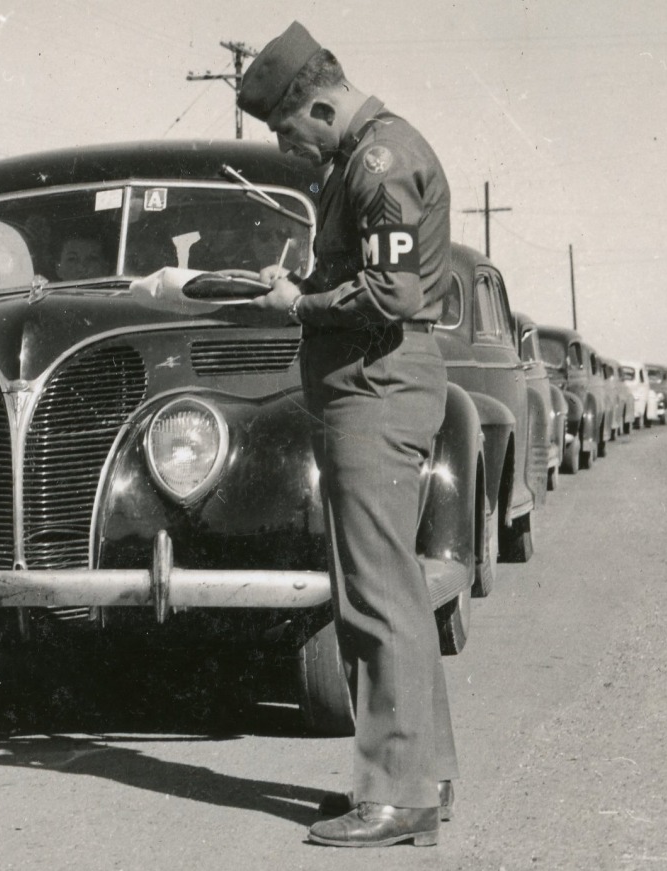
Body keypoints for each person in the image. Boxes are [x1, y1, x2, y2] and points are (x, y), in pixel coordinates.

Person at [241, 21, 456, 848]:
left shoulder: (379, 161)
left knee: (375, 599)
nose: (291, 148)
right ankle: (421, 778)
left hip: (376, 389)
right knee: (391, 591)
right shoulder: (363, 156)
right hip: (371, 388)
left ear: (321, 105)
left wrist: (298, 304)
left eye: (289, 132)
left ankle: (397, 797)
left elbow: (392, 292)